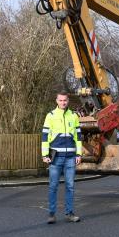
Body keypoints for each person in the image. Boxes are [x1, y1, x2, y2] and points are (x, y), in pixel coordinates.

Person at [42, 91, 82, 224]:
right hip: (56, 157)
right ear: (56, 101)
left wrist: (79, 153)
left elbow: (78, 137)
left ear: (68, 101)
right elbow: (45, 137)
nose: (63, 102)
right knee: (53, 186)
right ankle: (51, 214)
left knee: (70, 186)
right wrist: (44, 154)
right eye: (60, 100)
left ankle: (69, 213)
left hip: (71, 157)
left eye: (65, 100)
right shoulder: (50, 116)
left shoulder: (74, 116)